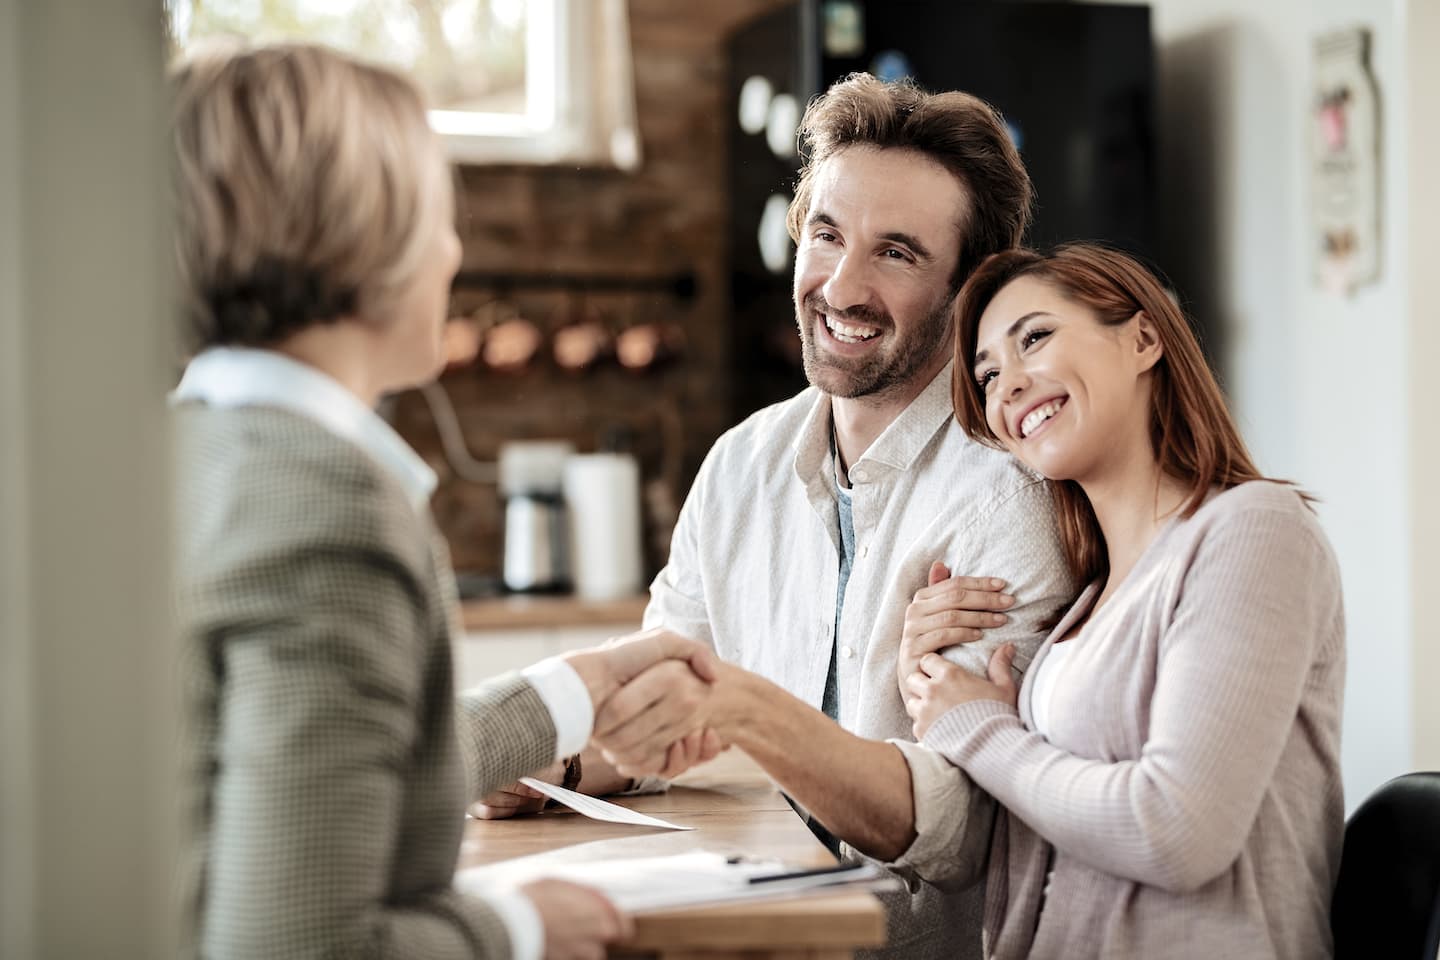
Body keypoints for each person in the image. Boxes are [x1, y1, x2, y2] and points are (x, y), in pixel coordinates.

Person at [484, 74, 1077, 959]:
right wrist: (558, 770)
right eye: (828, 235)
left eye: (898, 253)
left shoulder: (1009, 496)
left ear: (970, 291)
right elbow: (664, 718)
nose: (842, 286)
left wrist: (746, 709)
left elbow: (960, 830)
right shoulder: (740, 465)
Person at [171, 42, 717, 960]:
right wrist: (517, 925)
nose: (454, 249)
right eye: (436, 214)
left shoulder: (185, 448)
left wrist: (570, 694)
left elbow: (309, 783)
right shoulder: (328, 509)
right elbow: (300, 945)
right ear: (362, 236)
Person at [901, 243, 1345, 959]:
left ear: (1143, 339)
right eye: (987, 376)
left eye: (1035, 339)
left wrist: (983, 732)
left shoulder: (1253, 531)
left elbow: (1176, 832)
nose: (1007, 386)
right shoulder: (1089, 605)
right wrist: (933, 688)